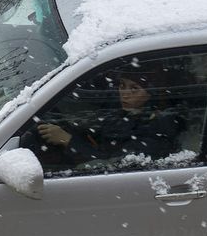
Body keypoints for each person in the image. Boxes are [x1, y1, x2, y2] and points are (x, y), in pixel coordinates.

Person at [33, 67, 185, 169]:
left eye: (134, 88)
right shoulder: (125, 113)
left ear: (151, 93)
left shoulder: (156, 132)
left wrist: (67, 140)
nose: (124, 93)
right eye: (122, 85)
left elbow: (109, 165)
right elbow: (98, 132)